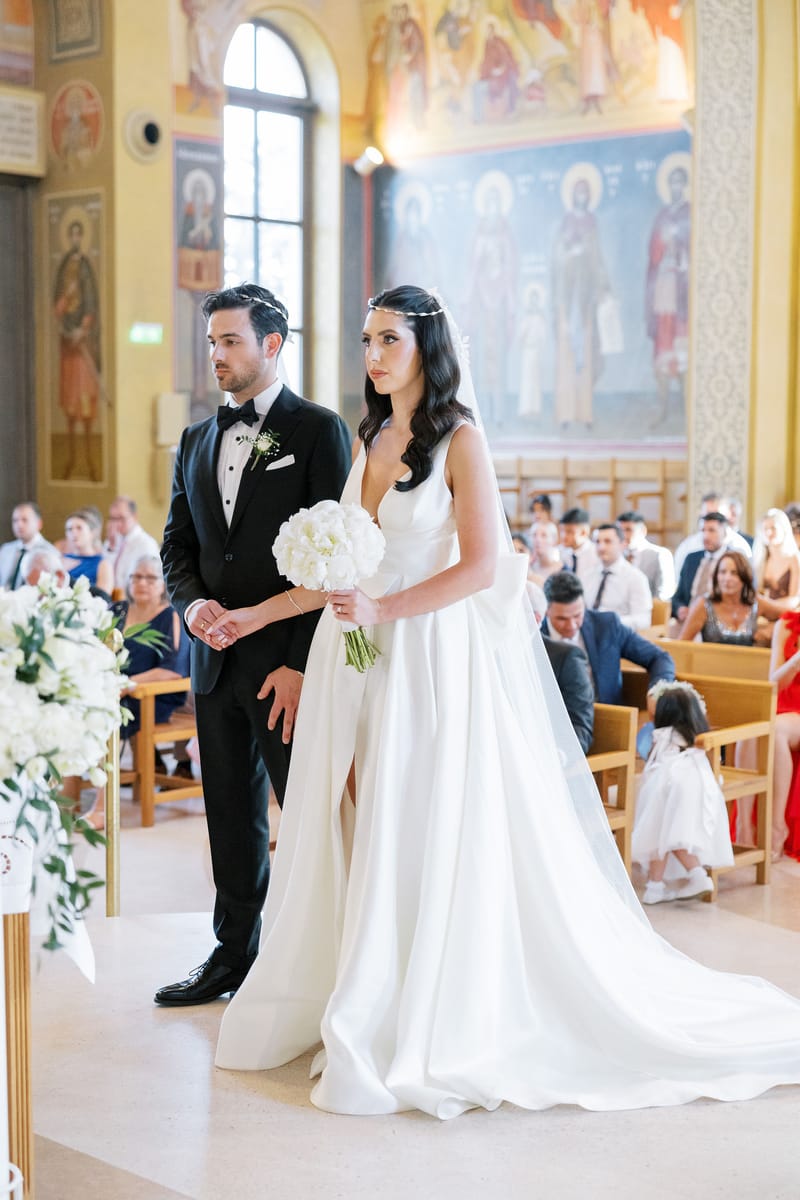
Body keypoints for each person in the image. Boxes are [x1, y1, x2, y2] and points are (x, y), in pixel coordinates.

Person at [203, 288, 800, 1117]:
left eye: (388, 340)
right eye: (367, 340)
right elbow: (340, 564)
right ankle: (365, 983)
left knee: (412, 820)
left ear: (428, 346)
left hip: (425, 660)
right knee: (359, 820)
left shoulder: (461, 441)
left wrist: (383, 610)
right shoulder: (372, 435)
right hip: (357, 659)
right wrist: (252, 615)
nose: (372, 355)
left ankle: (424, 1004)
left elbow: (482, 566)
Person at [156, 282, 351, 1007]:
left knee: (305, 816)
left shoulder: (317, 431)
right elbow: (178, 543)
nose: (217, 355)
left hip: (285, 667)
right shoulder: (196, 438)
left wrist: (301, 662)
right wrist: (192, 602)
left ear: (272, 345)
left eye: (230, 340)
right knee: (229, 818)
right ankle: (232, 954)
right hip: (215, 660)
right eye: (211, 342)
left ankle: (315, 965)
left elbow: (334, 558)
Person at [633, 682, 733, 904]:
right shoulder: (696, 738)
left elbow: (653, 763)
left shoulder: (663, 735)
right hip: (694, 786)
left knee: (664, 832)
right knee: (665, 831)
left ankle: (695, 874)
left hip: (669, 787)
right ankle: (656, 887)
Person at [541, 570, 674, 704]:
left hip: (606, 716)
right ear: (546, 611)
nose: (571, 625)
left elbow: (660, 657)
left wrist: (657, 694)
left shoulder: (606, 626)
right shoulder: (535, 637)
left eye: (577, 615)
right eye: (561, 619)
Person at [53, 219, 101, 482]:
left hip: (83, 342)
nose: (74, 239)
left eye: (77, 235)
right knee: (70, 403)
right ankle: (71, 457)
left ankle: (90, 458)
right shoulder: (64, 268)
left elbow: (91, 302)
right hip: (67, 343)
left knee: (86, 402)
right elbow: (57, 305)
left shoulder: (85, 267)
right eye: (70, 235)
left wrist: (83, 329)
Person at [761, 611, 800, 860]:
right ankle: (747, 830)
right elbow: (774, 683)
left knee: (775, 730)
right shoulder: (786, 625)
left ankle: (776, 828)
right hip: (783, 707)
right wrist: (796, 661)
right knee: (756, 729)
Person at [679, 551, 776, 645]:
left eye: (734, 573)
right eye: (722, 572)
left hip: (748, 661)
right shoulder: (703, 604)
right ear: (716, 576)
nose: (727, 578)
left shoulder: (756, 602)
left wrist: (772, 629)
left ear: (744, 576)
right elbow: (681, 645)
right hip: (711, 661)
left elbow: (789, 616)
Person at [583, 522, 653, 630]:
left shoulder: (636, 578)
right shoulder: (587, 575)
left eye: (608, 542)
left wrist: (610, 621)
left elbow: (643, 620)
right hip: (587, 632)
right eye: (597, 542)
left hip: (617, 632)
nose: (601, 547)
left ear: (623, 544)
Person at [672, 510, 730, 623]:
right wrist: (680, 609)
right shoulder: (691, 559)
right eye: (703, 530)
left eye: (712, 530)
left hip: (718, 621)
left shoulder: (733, 560)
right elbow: (678, 596)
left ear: (725, 533)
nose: (706, 536)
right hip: (688, 619)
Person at [673, 492, 752, 576]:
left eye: (716, 515)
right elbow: (678, 577)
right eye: (708, 514)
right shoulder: (688, 546)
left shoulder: (739, 546)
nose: (711, 520)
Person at [104, 495, 160, 597]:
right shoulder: (110, 541)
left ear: (134, 517)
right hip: (111, 598)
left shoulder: (146, 544)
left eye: (121, 518)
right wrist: (111, 548)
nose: (116, 524)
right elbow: (105, 573)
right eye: (112, 519)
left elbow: (148, 580)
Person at [617, 510, 676, 601]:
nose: (624, 535)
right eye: (620, 531)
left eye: (628, 530)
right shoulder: (616, 555)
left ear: (643, 531)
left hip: (650, 609)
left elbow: (664, 595)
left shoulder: (660, 554)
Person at [0, 502, 58, 589]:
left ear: (39, 524)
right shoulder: (6, 549)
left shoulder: (49, 552)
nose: (19, 525)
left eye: (24, 520)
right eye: (15, 520)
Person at [63, 509, 113, 597]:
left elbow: (103, 598)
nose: (73, 532)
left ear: (92, 533)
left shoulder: (103, 564)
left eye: (79, 528)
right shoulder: (60, 559)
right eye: (69, 529)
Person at [557, 506, 598, 581]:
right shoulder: (558, 552)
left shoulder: (596, 554)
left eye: (569, 532)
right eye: (562, 531)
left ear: (583, 532)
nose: (564, 536)